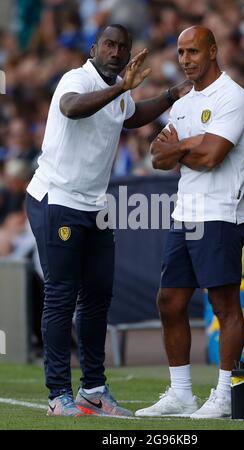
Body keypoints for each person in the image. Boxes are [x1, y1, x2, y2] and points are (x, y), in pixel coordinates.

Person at [26, 24, 191, 417]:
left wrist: (170, 94)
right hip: (57, 198)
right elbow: (71, 107)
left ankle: (94, 389)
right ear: (94, 47)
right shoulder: (77, 78)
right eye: (109, 45)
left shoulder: (119, 90)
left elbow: (131, 117)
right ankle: (57, 394)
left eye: (123, 47)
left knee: (98, 294)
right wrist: (121, 88)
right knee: (62, 294)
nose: (116, 52)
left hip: (94, 204)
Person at [135, 26, 244, 419]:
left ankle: (224, 395)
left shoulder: (234, 98)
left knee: (224, 305)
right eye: (181, 52)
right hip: (183, 214)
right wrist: (192, 144)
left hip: (220, 213)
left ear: (213, 51)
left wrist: (182, 147)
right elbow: (158, 158)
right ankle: (182, 393)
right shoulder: (183, 102)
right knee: (169, 301)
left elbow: (212, 157)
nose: (185, 59)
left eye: (193, 52)